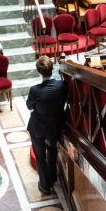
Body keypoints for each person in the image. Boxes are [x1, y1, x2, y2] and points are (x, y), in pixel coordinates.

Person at [26, 56, 67, 195]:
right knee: (52, 150)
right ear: (52, 69)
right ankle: (52, 177)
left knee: (40, 156)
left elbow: (29, 106)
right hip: (54, 127)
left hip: (37, 128)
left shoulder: (35, 90)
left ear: (39, 72)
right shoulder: (62, 86)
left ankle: (44, 186)